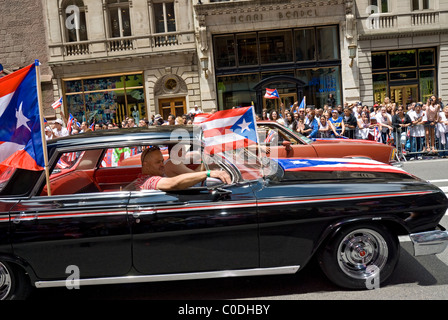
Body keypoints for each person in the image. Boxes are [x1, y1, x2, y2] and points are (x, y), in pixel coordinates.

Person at [125, 146, 231, 191]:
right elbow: (173, 183)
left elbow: (128, 189)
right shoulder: (150, 181)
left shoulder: (142, 179)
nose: (162, 165)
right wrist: (208, 173)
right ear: (146, 165)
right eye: (158, 162)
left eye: (162, 161)